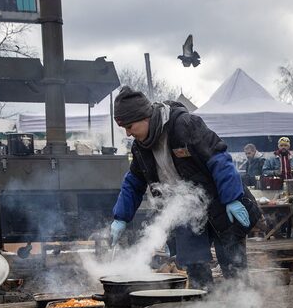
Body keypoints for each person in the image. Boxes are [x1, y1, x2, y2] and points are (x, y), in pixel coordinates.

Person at [109, 87, 260, 290]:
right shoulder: (140, 148)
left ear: (145, 116)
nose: (128, 133)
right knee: (196, 272)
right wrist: (121, 217)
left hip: (221, 204)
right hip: (184, 213)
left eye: (130, 126)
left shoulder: (184, 125)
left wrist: (232, 198)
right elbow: (133, 182)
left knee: (234, 268)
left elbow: (219, 160)